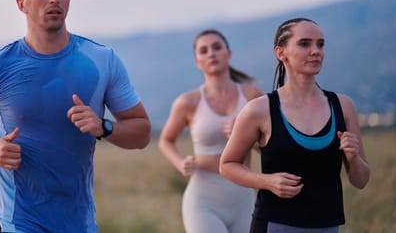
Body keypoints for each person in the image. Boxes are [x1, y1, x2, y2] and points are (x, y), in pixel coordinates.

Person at [0, 0, 151, 233]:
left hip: (78, 222)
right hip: (16, 221)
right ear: (22, 4)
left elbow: (141, 132)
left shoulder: (102, 61)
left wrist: (103, 127)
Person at [220, 17, 370, 233]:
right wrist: (267, 181)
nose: (315, 51)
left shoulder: (343, 106)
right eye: (304, 43)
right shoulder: (260, 109)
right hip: (275, 224)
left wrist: (354, 157)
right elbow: (227, 165)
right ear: (281, 53)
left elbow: (361, 181)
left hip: (328, 226)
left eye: (320, 44)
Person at [159, 29, 263, 233]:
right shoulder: (187, 102)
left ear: (229, 53)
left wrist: (245, 135)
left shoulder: (252, 96)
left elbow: (270, 144)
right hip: (203, 200)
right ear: (198, 61)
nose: (211, 54)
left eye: (217, 47)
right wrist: (180, 163)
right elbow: (166, 140)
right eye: (203, 51)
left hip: (244, 198)